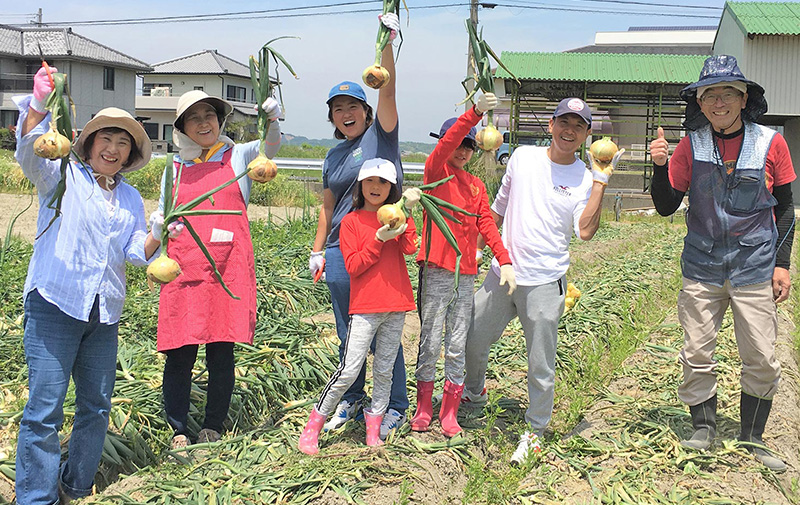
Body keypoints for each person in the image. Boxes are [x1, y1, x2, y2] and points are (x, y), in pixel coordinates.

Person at [14, 67, 161, 504]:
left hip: (104, 311)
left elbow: (136, 252)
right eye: (106, 140)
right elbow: (30, 153)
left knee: (95, 407)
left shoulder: (131, 197)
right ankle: (35, 497)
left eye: (122, 143)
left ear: (130, 153)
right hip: (55, 303)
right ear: (89, 143)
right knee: (44, 410)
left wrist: (158, 231)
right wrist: (39, 104)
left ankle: (75, 485)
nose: (113, 150)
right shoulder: (63, 176)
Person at [649, 55, 794, 473]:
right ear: (699, 100)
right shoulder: (689, 145)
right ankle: (704, 427)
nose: (718, 101)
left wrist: (782, 265)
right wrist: (660, 168)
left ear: (743, 97)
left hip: (754, 265)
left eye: (728, 92)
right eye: (709, 93)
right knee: (696, 350)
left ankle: (752, 437)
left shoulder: (771, 142)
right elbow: (664, 206)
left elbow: (785, 209)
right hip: (702, 265)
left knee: (762, 356)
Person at [463, 97, 623, 465]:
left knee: (540, 362)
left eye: (579, 126)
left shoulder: (585, 178)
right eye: (563, 122)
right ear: (550, 125)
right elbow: (499, 208)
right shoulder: (523, 157)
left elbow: (584, 232)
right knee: (472, 334)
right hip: (502, 272)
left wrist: (600, 182)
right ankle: (474, 395)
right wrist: (475, 246)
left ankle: (535, 430)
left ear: (586, 135)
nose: (570, 130)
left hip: (546, 281)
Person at [309, 11, 417, 440]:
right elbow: (327, 206)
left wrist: (386, 41)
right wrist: (317, 250)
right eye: (337, 109)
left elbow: (387, 88)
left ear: (366, 110)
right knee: (348, 334)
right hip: (341, 251)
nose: (345, 113)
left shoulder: (381, 138)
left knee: (386, 330)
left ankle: (393, 405)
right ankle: (353, 399)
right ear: (332, 119)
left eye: (353, 105)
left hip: (383, 244)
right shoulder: (333, 157)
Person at [155, 90, 282, 449]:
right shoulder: (174, 168)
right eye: (193, 118)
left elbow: (269, 149)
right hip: (185, 271)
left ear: (220, 120)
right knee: (179, 354)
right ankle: (178, 427)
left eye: (209, 115)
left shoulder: (238, 155)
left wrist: (272, 119)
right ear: (182, 128)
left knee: (221, 355)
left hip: (227, 272)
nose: (203, 123)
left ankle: (213, 424)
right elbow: (165, 220)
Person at [409, 92, 516, 438]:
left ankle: (450, 409)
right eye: (458, 143)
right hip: (437, 270)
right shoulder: (435, 172)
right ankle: (424, 405)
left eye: (470, 146)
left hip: (465, 273)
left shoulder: (475, 186)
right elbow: (448, 143)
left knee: (457, 341)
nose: (464, 150)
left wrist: (505, 260)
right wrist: (473, 115)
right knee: (428, 340)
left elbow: (486, 223)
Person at [299, 158, 418, 454]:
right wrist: (378, 239)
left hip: (396, 304)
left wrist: (406, 214)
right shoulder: (351, 221)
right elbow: (354, 266)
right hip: (366, 306)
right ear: (360, 185)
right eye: (370, 181)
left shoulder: (396, 217)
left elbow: (410, 248)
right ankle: (314, 425)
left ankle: (373, 431)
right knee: (349, 369)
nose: (375, 187)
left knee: (385, 370)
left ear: (392, 188)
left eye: (383, 183)